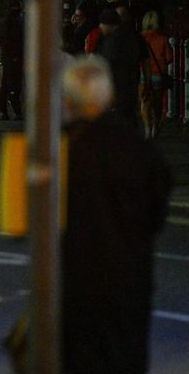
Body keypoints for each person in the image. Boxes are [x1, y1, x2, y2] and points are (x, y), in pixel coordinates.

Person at [60, 56, 171, 374]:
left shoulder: (62, 150)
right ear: (107, 96)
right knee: (126, 357)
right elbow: (156, 215)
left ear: (69, 100)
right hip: (129, 279)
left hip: (78, 280)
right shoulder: (139, 150)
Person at [94, 7, 149, 125]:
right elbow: (144, 59)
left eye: (102, 24)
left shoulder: (111, 41)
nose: (100, 27)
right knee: (128, 116)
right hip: (131, 83)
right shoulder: (133, 36)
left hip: (117, 87)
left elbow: (104, 63)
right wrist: (147, 82)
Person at [140, 10, 173, 139]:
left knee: (145, 102)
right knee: (157, 104)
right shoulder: (163, 39)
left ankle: (147, 129)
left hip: (143, 73)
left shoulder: (141, 38)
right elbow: (169, 58)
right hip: (159, 74)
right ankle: (156, 126)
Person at [0, 0, 24, 120]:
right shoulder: (18, 22)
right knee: (15, 84)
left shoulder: (4, 22)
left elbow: (0, 38)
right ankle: (16, 110)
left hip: (7, 56)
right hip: (16, 56)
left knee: (6, 84)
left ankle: (3, 110)